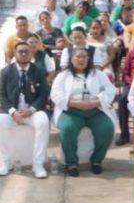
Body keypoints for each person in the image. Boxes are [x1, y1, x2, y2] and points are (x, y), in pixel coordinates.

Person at [50, 47, 117, 177]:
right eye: (78, 56)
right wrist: (74, 103)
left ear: (88, 59)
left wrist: (97, 102)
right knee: (67, 129)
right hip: (71, 110)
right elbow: (56, 94)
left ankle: (97, 160)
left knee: (107, 128)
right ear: (71, 59)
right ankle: (71, 163)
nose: (81, 59)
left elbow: (110, 90)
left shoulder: (98, 74)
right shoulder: (63, 76)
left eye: (84, 57)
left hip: (95, 109)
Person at [0, 40, 51, 179]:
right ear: (14, 54)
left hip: (32, 111)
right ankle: (5, 162)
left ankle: (37, 163)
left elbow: (43, 94)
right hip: (11, 111)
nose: (24, 54)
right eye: (20, 51)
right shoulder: (6, 71)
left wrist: (31, 110)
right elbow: (0, 95)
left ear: (31, 53)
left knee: (43, 122)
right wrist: (12, 111)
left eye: (26, 51)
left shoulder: (39, 71)